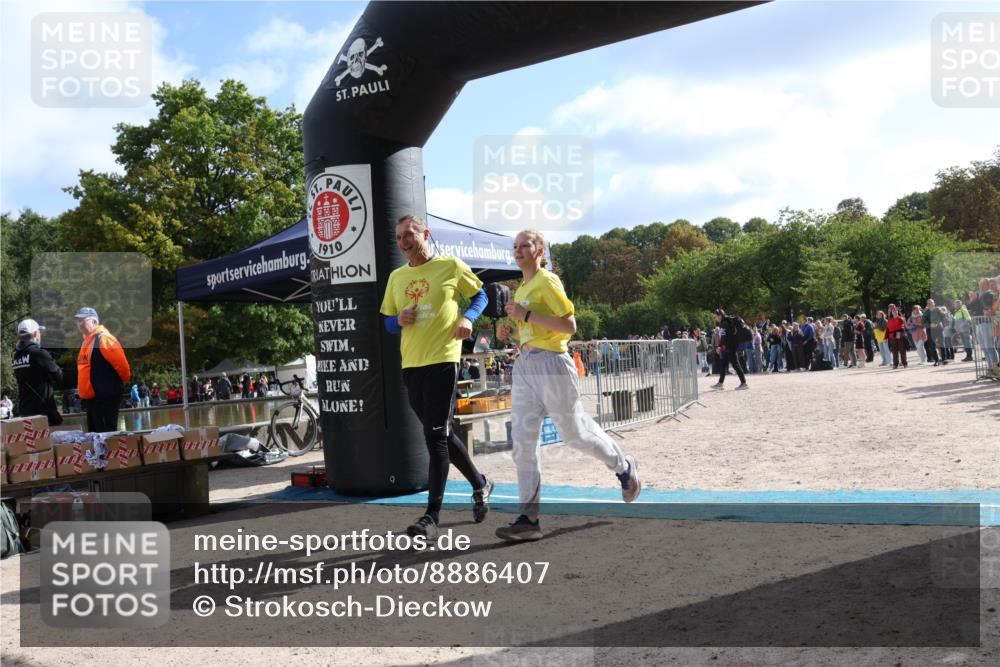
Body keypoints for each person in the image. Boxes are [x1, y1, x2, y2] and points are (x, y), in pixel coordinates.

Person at [495, 229, 640, 542]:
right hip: (525, 364)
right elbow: (530, 324)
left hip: (553, 364)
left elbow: (568, 325)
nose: (518, 250)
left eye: (526, 245)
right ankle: (528, 519)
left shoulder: (547, 281)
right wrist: (510, 329)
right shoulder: (522, 286)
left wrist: (527, 314)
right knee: (522, 440)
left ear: (540, 250)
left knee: (574, 435)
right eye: (515, 246)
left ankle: (623, 465)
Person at [380, 214, 493, 540]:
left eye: (409, 235)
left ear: (425, 233)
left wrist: (470, 318)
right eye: (399, 237)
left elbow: (481, 295)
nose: (403, 243)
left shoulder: (450, 266)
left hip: (444, 359)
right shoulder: (396, 278)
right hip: (411, 365)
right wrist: (398, 319)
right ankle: (480, 483)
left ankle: (431, 517)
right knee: (442, 435)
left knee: (434, 437)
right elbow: (387, 322)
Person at [74, 307, 130, 433]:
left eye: (83, 319)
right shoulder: (86, 342)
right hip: (92, 399)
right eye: (78, 320)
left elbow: (123, 367)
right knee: (94, 435)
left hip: (106, 397)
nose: (80, 323)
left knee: (107, 436)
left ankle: (111, 453)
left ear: (94, 321)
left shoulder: (104, 339)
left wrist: (119, 384)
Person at [11, 318, 64, 425]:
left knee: (33, 441)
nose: (40, 335)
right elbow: (59, 376)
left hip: (25, 410)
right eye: (39, 332)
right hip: (43, 411)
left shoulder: (15, 356)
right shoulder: (39, 353)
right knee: (48, 441)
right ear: (35, 333)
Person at [711, 309, 748, 389]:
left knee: (735, 365)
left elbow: (724, 337)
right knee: (723, 364)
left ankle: (744, 383)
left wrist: (720, 347)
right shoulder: (727, 322)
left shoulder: (723, 324)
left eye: (715, 316)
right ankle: (720, 383)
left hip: (730, 347)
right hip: (731, 346)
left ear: (720, 315)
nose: (715, 318)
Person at [885, 304, 908, 369]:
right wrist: (885, 337)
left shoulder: (900, 318)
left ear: (897, 311)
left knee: (901, 349)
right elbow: (888, 329)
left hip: (899, 333)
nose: (894, 311)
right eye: (893, 311)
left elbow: (905, 326)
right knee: (894, 350)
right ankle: (895, 364)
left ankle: (904, 363)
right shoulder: (890, 320)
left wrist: (901, 316)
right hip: (892, 335)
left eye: (895, 310)